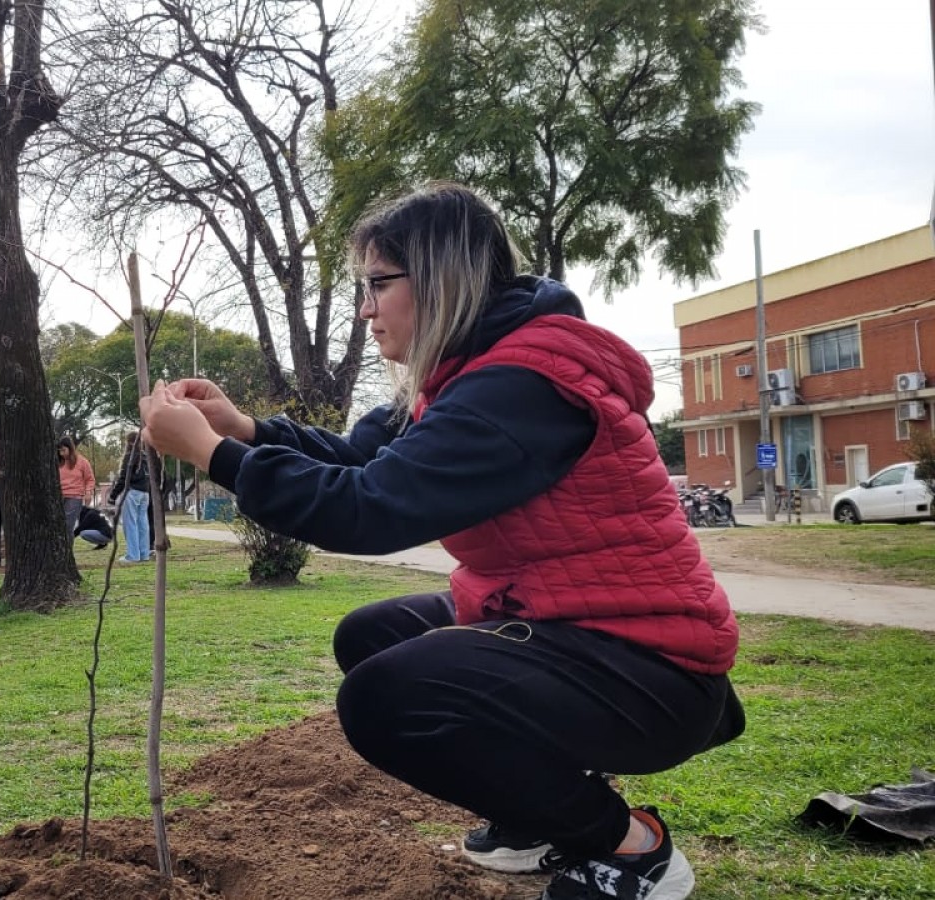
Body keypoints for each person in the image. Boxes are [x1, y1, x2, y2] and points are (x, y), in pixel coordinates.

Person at [140, 182, 743, 900]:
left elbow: (368, 510)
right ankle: (540, 812)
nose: (365, 309)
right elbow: (359, 460)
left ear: (439, 279)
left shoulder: (523, 387)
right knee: (372, 636)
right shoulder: (464, 376)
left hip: (650, 670)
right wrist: (244, 431)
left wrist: (212, 455)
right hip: (576, 624)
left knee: (385, 699)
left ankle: (629, 847)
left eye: (378, 285)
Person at [109, 431, 152, 562]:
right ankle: (144, 554)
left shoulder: (129, 457)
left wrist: (113, 495)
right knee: (143, 523)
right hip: (145, 493)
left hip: (132, 492)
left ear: (128, 442)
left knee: (130, 524)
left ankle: (133, 555)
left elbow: (123, 478)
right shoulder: (146, 457)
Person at [55, 435, 96, 541]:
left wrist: (88, 492)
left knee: (67, 526)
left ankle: (67, 549)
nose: (61, 453)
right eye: (60, 451)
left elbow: (90, 479)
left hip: (74, 497)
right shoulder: (58, 463)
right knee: (57, 526)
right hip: (58, 497)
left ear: (70, 448)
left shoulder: (82, 462)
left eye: (63, 450)